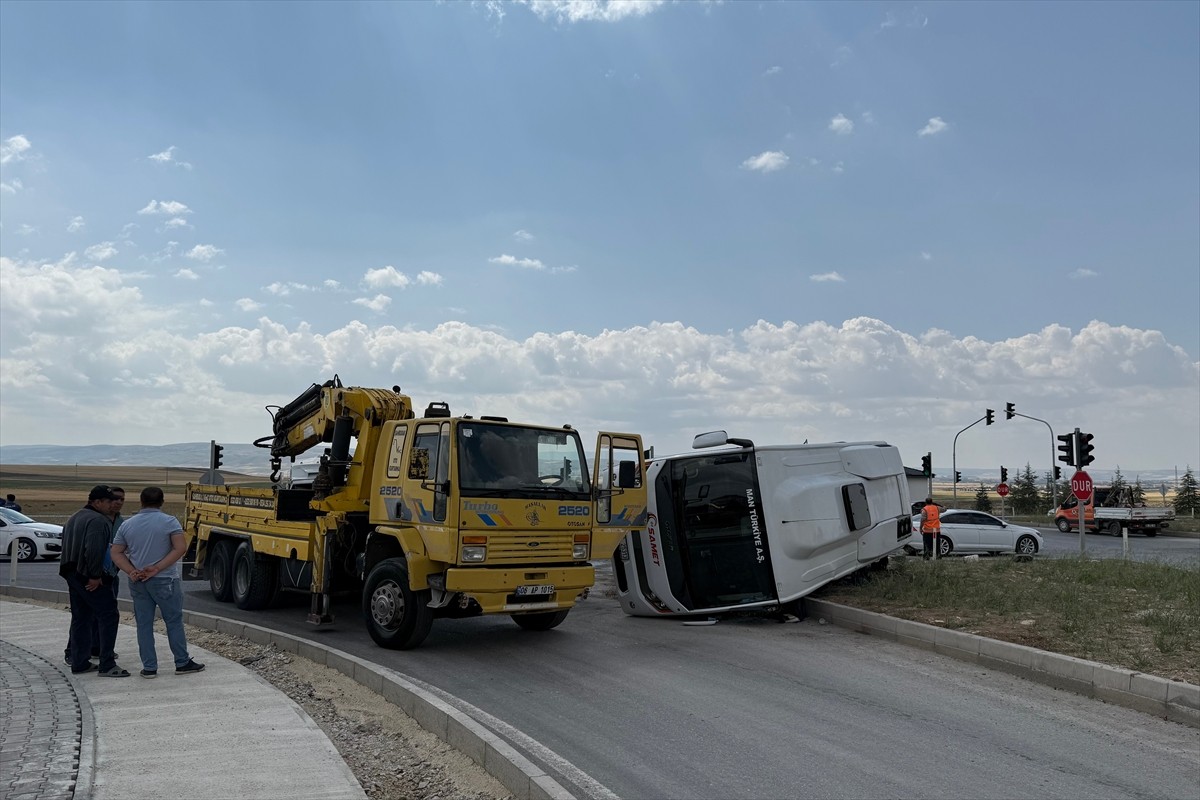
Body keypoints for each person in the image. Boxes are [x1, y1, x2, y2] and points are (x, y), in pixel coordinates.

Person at [110, 486, 205, 678]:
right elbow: (180, 548)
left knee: (144, 624)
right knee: (173, 621)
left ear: (141, 501)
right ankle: (182, 661)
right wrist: (157, 568)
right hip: (164, 579)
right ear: (162, 502)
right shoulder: (169, 522)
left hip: (138, 580)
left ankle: (149, 667)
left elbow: (116, 552)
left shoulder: (128, 525)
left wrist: (131, 570)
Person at [59, 485, 128, 677]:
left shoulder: (75, 517)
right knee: (109, 615)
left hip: (72, 573)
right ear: (97, 502)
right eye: (108, 501)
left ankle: (79, 661)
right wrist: (95, 576)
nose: (112, 504)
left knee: (82, 617)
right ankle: (107, 663)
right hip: (88, 575)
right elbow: (94, 550)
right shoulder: (98, 521)